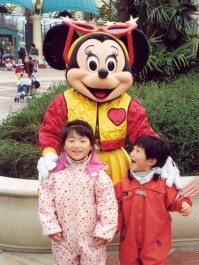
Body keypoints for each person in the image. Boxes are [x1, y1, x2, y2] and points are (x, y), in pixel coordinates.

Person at [37, 18, 182, 191]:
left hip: (115, 165)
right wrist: (49, 153)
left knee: (117, 206)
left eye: (111, 65)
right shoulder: (64, 101)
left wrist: (160, 155)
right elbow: (51, 130)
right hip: (75, 163)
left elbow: (142, 133)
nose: (102, 73)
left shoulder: (128, 104)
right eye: (92, 65)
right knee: (76, 208)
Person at [38, 120, 118, 265]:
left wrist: (104, 231)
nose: (77, 146)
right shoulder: (54, 174)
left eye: (82, 141)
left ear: (91, 145)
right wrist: (51, 227)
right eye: (71, 140)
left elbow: (108, 206)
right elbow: (46, 203)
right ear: (63, 144)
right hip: (63, 239)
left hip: (93, 240)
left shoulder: (98, 175)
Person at [114, 135, 192, 265]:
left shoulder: (163, 185)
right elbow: (113, 211)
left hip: (156, 242)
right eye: (133, 149)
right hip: (128, 242)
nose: (131, 153)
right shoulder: (122, 185)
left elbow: (176, 199)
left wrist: (184, 204)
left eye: (138, 151)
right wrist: (109, 230)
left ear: (151, 161)